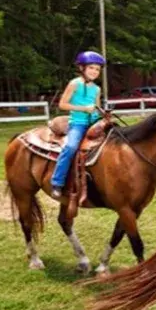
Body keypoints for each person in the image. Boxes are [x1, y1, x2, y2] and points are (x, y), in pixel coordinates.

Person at [49, 51, 105, 199]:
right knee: (71, 147)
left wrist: (102, 114)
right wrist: (83, 109)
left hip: (93, 123)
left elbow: (96, 107)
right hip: (78, 124)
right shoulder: (75, 84)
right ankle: (57, 182)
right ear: (82, 68)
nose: (94, 71)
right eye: (91, 68)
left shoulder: (97, 89)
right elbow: (62, 104)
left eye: (97, 69)